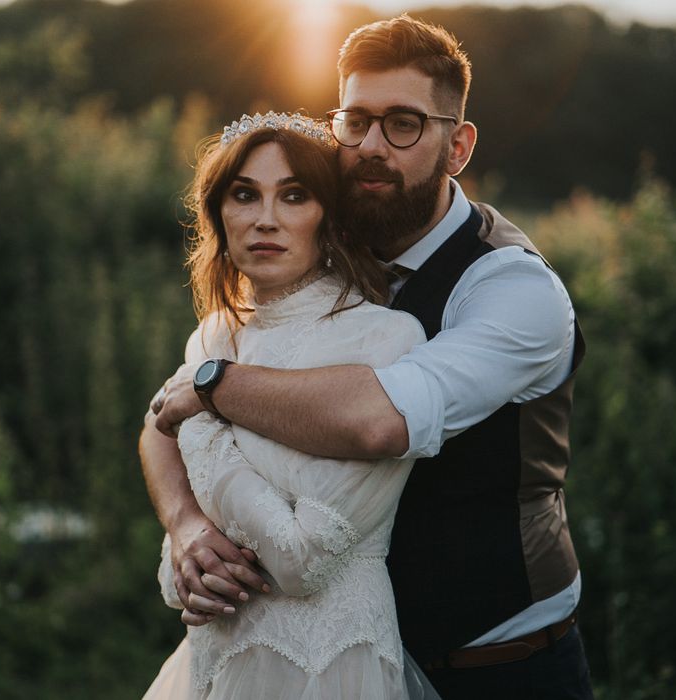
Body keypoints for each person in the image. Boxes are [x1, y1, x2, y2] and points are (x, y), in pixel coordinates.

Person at [145, 15, 594, 700]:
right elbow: (163, 417)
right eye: (356, 122)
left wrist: (212, 385)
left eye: (404, 124)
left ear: (459, 145)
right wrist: (186, 524)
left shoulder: (512, 290)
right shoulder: (313, 237)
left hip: (499, 662)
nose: (372, 147)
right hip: (315, 651)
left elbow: (380, 422)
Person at [141, 112, 438, 699]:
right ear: (218, 215)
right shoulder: (214, 335)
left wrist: (203, 417)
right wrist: (187, 533)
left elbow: (300, 559)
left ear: (329, 217)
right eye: (244, 195)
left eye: (294, 196)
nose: (265, 220)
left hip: (327, 665)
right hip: (213, 656)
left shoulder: (385, 340)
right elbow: (156, 429)